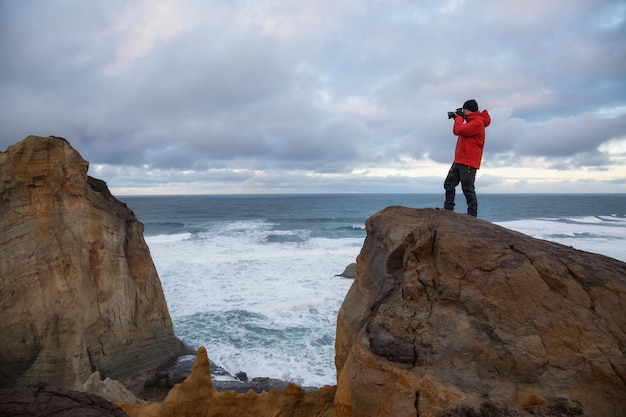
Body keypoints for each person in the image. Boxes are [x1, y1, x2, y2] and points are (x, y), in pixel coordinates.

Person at [443, 99, 491, 217]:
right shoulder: (471, 122)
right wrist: (458, 118)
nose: (463, 112)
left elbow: (459, 130)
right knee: (448, 184)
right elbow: (458, 130)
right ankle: (448, 208)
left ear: (469, 110)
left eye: (464, 110)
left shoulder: (477, 123)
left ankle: (472, 214)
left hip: (469, 161)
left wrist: (458, 118)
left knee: (467, 188)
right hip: (459, 159)